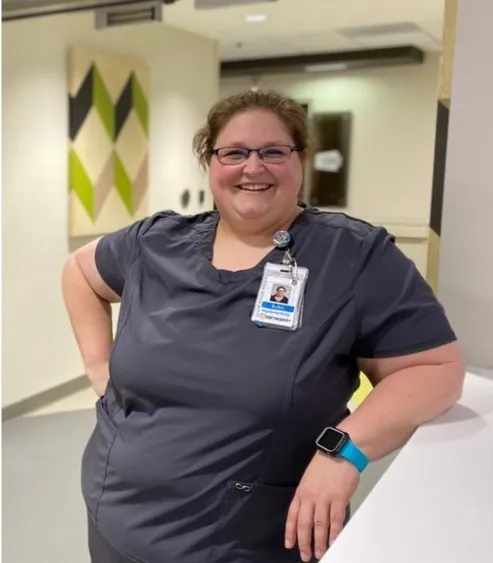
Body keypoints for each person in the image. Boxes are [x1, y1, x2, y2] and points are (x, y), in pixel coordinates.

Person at [61, 89, 465, 563]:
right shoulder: (155, 243)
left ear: (301, 161)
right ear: (210, 162)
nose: (253, 168)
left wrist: (344, 451)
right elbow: (79, 272)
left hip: (251, 543)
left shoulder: (354, 257)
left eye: (273, 151)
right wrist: (99, 367)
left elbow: (436, 370)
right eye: (233, 153)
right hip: (114, 521)